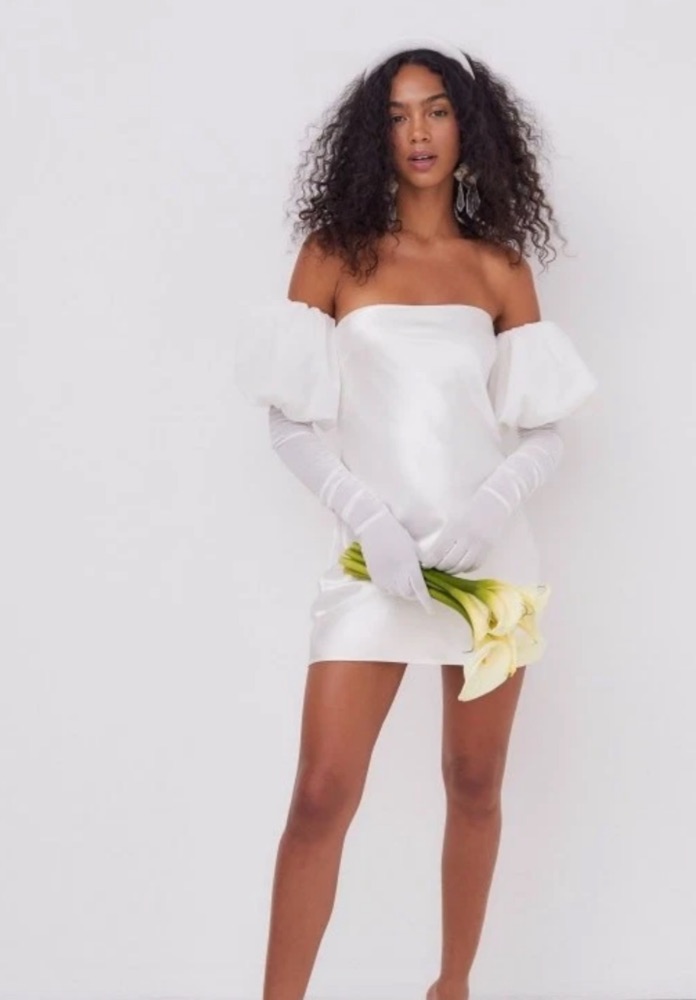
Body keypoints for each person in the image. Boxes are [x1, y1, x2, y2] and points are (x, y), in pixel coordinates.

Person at [235, 36, 598, 1000]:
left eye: (436, 110)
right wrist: (367, 517)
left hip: (489, 568)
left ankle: (452, 988)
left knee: (473, 784)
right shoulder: (335, 255)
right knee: (321, 794)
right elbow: (288, 419)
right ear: (374, 136)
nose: (419, 132)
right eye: (397, 116)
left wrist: (489, 509)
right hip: (377, 567)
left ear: (466, 127)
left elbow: (545, 431)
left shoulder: (497, 267)